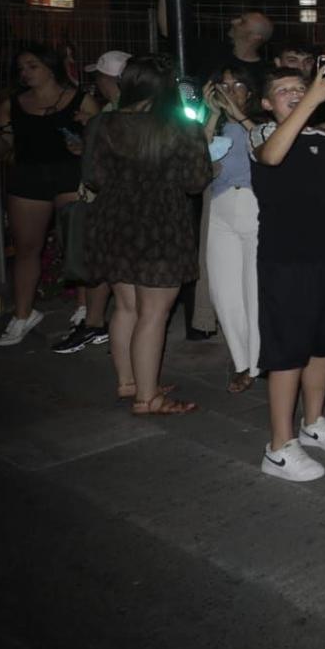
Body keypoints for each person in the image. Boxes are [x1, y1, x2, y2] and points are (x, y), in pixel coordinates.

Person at [252, 66, 325, 482]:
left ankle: (313, 421)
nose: (293, 94)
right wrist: (307, 102)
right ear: (267, 103)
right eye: (282, 90)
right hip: (284, 261)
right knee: (287, 350)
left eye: (300, 90)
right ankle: (279, 447)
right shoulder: (259, 134)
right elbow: (271, 157)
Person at [84, 55, 215, 415]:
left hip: (114, 221)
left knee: (125, 306)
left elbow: (93, 177)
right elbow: (195, 181)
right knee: (153, 314)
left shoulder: (103, 123)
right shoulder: (178, 127)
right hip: (160, 224)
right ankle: (148, 398)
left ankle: (130, 382)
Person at [0, 44, 87, 345]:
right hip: (28, 178)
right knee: (27, 248)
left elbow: (100, 138)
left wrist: (84, 141)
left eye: (32, 66)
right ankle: (23, 314)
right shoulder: (12, 104)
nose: (26, 73)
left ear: (49, 66)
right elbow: (0, 148)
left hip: (69, 176)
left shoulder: (79, 99)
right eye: (21, 69)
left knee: (76, 246)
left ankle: (84, 308)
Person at [50, 51, 130, 354]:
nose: (95, 81)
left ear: (111, 78)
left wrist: (92, 133)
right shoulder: (113, 109)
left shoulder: (120, 112)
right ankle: (95, 324)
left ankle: (109, 330)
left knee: (105, 268)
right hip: (108, 200)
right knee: (101, 267)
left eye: (99, 75)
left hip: (109, 203)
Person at [199, 61, 264, 393]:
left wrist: (238, 115)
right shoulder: (213, 123)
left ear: (250, 92)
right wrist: (211, 115)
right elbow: (196, 163)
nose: (229, 91)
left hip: (253, 206)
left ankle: (256, 363)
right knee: (224, 293)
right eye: (223, 85)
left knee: (253, 290)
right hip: (220, 209)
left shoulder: (261, 121)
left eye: (237, 85)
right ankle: (242, 361)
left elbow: (267, 150)